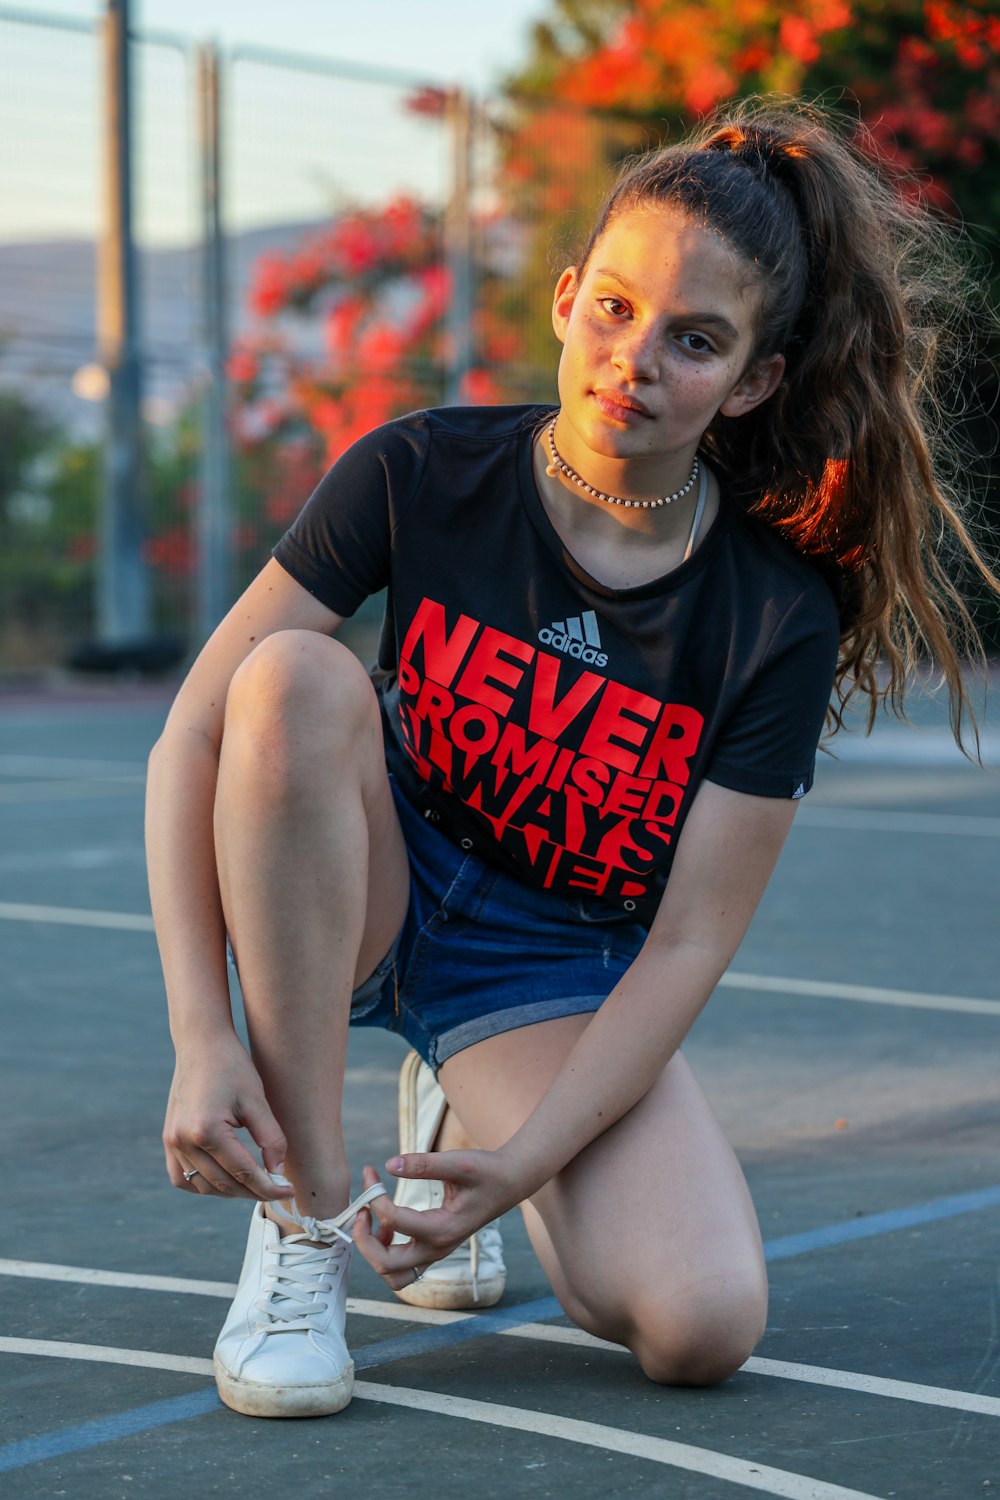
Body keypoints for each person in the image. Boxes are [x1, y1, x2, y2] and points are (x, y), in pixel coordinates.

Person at [145, 97, 998, 1419]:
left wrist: (525, 1160)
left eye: (695, 340)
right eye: (614, 307)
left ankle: (456, 1122)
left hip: (549, 962)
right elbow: (191, 738)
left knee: (701, 1325)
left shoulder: (772, 614)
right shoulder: (418, 471)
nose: (635, 359)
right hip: (366, 884)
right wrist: (204, 1035)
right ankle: (303, 1228)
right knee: (290, 682)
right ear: (563, 298)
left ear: (754, 380)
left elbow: (686, 947)